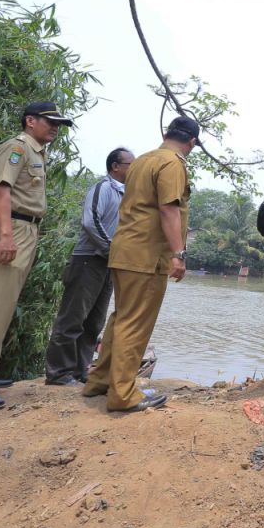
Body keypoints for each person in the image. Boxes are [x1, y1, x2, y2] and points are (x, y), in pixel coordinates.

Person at [0, 101, 75, 411]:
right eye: (51, 121)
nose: (56, 127)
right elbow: (0, 191)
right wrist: (6, 235)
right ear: (30, 121)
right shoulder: (16, 148)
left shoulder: (36, 152)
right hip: (11, 230)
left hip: (22, 229)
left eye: (59, 123)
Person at [82, 116, 197, 413]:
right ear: (192, 143)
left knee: (122, 317)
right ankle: (123, 394)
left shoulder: (143, 161)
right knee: (136, 323)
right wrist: (178, 253)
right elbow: (168, 209)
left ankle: (100, 380)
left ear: (165, 133)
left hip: (124, 250)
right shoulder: (172, 164)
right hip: (146, 256)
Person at [43, 147, 134, 386]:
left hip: (108, 264)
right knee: (72, 318)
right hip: (88, 260)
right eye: (130, 164)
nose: (133, 169)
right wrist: (112, 248)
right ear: (116, 166)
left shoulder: (126, 194)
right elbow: (90, 221)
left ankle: (79, 370)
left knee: (94, 322)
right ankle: (58, 373)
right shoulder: (103, 188)